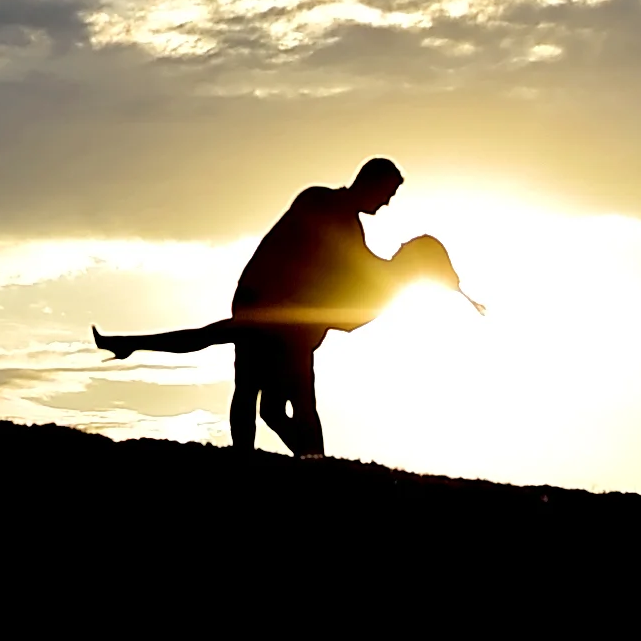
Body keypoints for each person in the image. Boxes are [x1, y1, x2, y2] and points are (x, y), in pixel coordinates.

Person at [91, 158, 478, 457]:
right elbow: (352, 265)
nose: (386, 202)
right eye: (387, 193)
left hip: (292, 315)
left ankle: (310, 461)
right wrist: (413, 263)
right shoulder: (322, 203)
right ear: (370, 183)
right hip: (264, 298)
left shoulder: (345, 222)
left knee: (273, 401)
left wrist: (422, 268)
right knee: (253, 385)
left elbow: (357, 275)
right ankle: (270, 459)